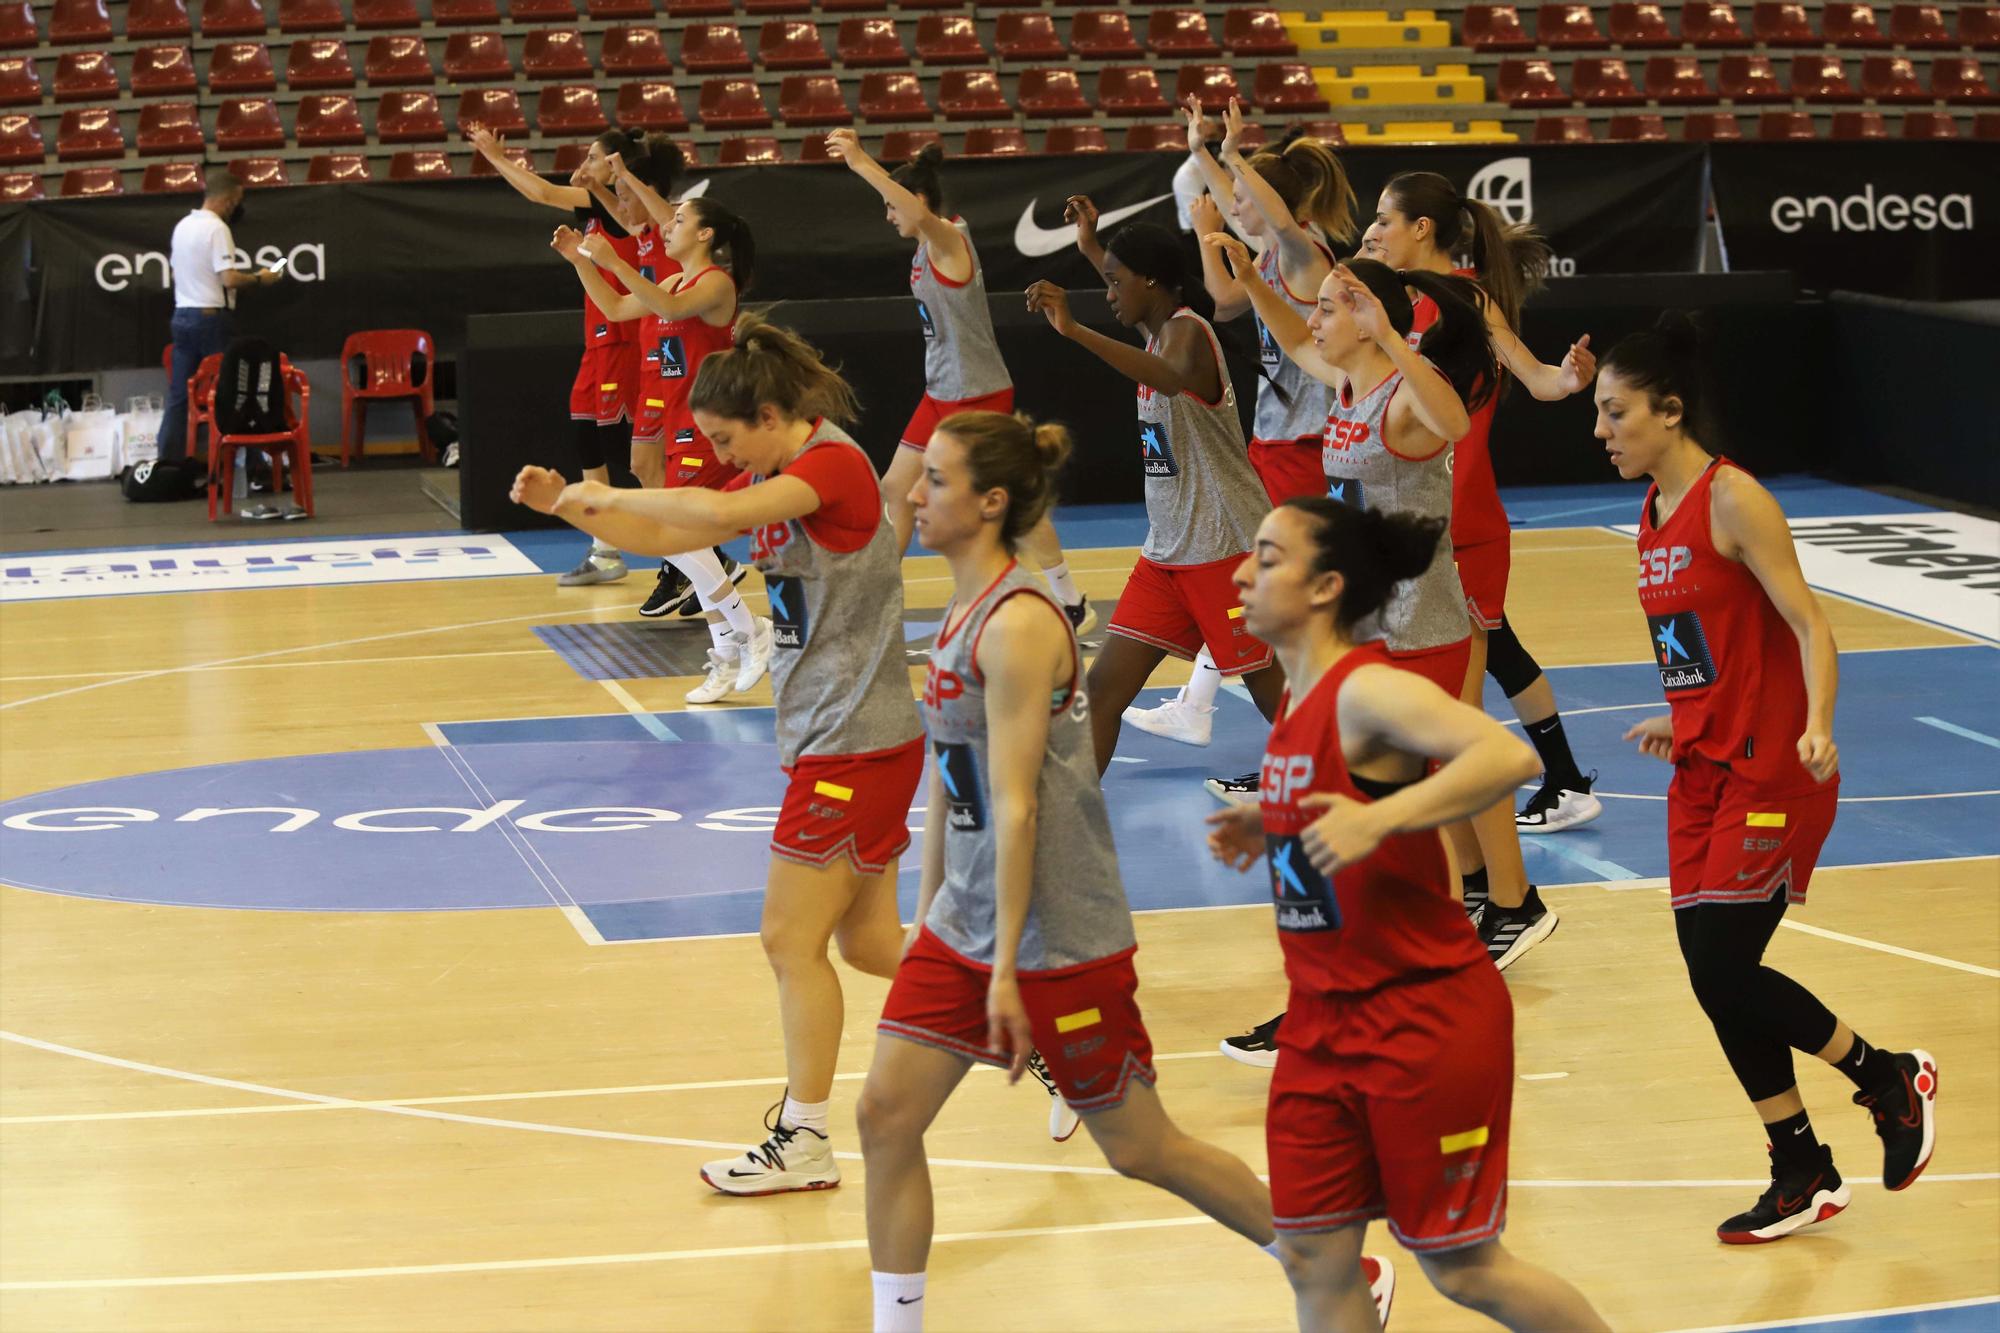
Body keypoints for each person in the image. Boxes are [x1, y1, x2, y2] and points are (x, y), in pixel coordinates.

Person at [858, 412, 1394, 1333]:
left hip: (1059, 935)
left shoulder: (1019, 624)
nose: (913, 492)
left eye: (935, 481)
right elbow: (954, 783)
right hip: (967, 923)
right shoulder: (957, 609)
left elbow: (1019, 804)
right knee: (882, 1115)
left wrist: (1002, 972)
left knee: (1142, 1147)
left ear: (990, 503)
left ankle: (1334, 1260)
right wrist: (931, 912)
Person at [511, 319, 926, 1196]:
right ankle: (1029, 1006)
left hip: (854, 740)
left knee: (787, 938)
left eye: (726, 439)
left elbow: (716, 513)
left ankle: (805, 1137)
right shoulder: (781, 467)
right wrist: (569, 508)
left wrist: (600, 490)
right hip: (849, 735)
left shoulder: (831, 468)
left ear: (772, 415)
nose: (717, 453)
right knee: (871, 942)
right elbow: (677, 538)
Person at [1205, 498, 1609, 1332]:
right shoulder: (1296, 702)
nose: (1243, 572)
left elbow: (1507, 753)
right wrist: (1276, 818)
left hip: (1422, 1017)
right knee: (1315, 1258)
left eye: (1268, 556)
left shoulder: (1367, 687)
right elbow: (1341, 802)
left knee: (1465, 1269)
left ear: (1325, 587)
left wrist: (1379, 817)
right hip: (1321, 1024)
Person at [1600, 315, 1937, 1243]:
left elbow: (1808, 623)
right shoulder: (1652, 513)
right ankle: (1802, 1166)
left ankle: (1885, 1072)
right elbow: (1696, 646)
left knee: (1722, 965)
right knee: (1714, 977)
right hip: (1704, 766)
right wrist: (1686, 712)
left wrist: (1819, 722)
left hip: (1774, 766)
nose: (1601, 429)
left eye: (1616, 411)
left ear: (1669, 412)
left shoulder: (1733, 497)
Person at [1361, 170, 1602, 838]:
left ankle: (1494, 863)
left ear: (1422, 229)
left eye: (1384, 219)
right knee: (1495, 652)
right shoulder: (1384, 302)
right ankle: (1562, 781)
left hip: (1461, 523)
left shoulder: (1466, 301)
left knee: (1467, 681)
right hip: (1412, 520)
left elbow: (1540, 380)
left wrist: (1569, 378)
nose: (1373, 230)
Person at [1127, 98, 1356, 752]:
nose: (1236, 207)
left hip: (1305, 442)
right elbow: (1226, 300)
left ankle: (1304, 732)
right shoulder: (1270, 259)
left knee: (1262, 580)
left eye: (1242, 199)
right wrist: (1203, 171)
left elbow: (1270, 215)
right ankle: (1220, 709)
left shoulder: (1304, 249)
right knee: (1245, 578)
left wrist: (1226, 153)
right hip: (1276, 438)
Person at [1026, 213, 1285, 773]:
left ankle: (1358, 798)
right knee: (1101, 694)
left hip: (1226, 548)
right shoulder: (1157, 327)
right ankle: (1070, 832)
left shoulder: (1187, 334)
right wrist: (1091, 244)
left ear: (1151, 282)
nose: (1108, 292)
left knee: (1277, 698)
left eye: (1117, 281)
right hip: (1168, 552)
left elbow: (1167, 377)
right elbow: (1137, 299)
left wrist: (1074, 330)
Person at [824, 132, 1094, 634]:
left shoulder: (951, 240)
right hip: (940, 392)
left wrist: (861, 160)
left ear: (918, 201)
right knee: (895, 488)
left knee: (1016, 497)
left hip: (979, 393)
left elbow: (919, 215)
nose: (888, 216)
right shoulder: (922, 252)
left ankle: (1070, 600)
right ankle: (876, 596)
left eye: (891, 205)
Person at [557, 190, 771, 702]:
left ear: (705, 235)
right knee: (680, 539)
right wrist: (582, 262)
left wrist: (613, 260)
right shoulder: (671, 279)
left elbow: (667, 306)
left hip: (712, 421)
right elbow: (613, 305)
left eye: (679, 219)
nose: (667, 226)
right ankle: (730, 643)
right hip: (677, 416)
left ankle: (743, 630)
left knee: (677, 532)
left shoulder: (715, 283)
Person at [471, 126, 660, 588]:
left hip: (624, 338)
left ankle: (687, 542)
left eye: (594, 157)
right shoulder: (599, 206)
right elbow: (543, 193)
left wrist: (494, 156)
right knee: (587, 441)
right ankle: (604, 548)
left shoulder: (614, 208)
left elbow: (539, 191)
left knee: (634, 454)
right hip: (598, 340)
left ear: (617, 165)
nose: (586, 163)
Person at [159, 170, 280, 465]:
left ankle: (168, 462)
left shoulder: (182, 226)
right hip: (211, 318)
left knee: (179, 396)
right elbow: (228, 279)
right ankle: (252, 463)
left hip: (182, 315)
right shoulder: (217, 229)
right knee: (234, 392)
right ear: (227, 200)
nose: (236, 208)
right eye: (236, 201)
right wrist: (260, 278)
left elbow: (175, 273)